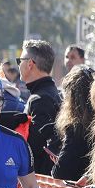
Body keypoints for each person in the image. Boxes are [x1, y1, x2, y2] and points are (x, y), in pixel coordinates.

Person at [18, 39, 62, 176]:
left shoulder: (41, 99)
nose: (18, 65)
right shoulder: (49, 93)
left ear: (30, 63)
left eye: (20, 61)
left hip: (39, 182)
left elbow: (35, 146)